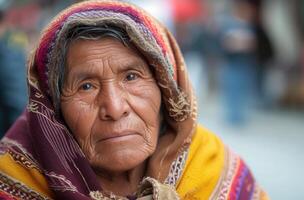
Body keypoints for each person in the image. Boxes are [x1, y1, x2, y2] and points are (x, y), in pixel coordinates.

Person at [0, 1, 269, 199]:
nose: (115, 109)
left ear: (167, 89)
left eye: (131, 77)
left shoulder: (214, 168)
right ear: (53, 108)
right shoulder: (15, 179)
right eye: (86, 86)